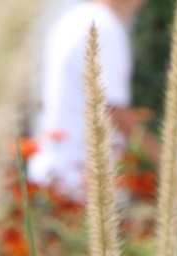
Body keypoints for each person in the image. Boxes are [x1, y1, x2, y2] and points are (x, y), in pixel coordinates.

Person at [28, 0, 159, 196]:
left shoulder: (73, 19)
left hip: (52, 174)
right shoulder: (104, 28)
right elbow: (112, 110)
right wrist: (166, 161)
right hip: (79, 181)